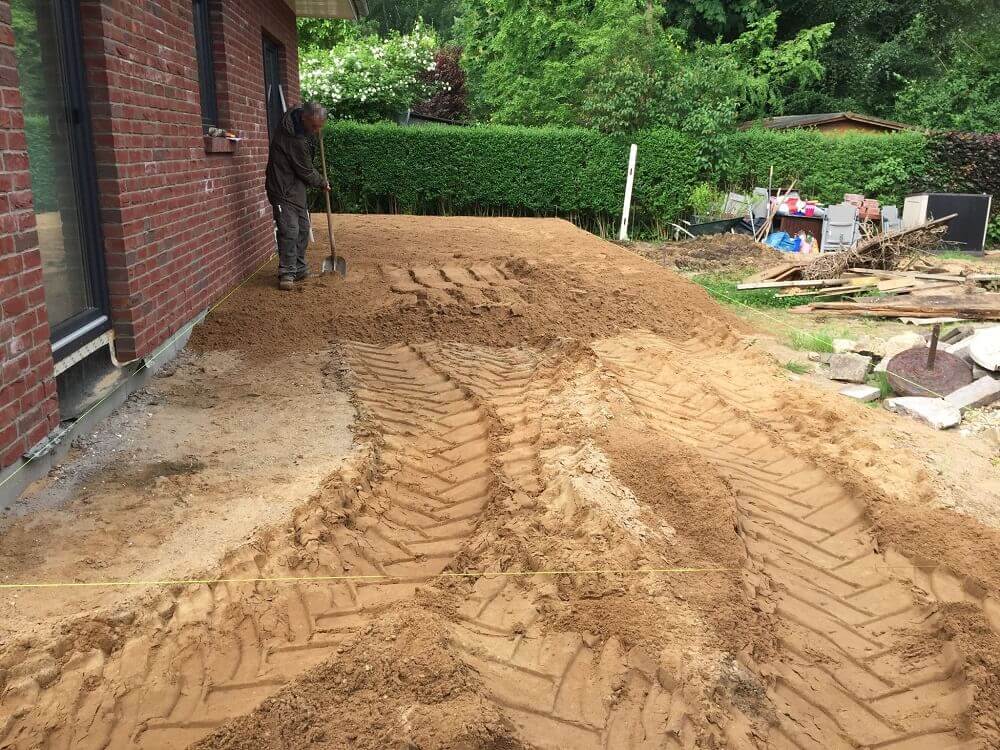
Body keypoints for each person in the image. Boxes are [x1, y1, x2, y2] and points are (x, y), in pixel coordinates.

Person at [265, 101, 331, 291]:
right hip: (282, 188)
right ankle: (287, 272)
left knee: (303, 228)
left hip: (296, 188)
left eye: (320, 127)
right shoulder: (293, 138)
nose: (316, 131)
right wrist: (323, 182)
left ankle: (299, 269)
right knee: (290, 229)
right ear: (304, 118)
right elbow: (306, 171)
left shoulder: (300, 123)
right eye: (314, 126)